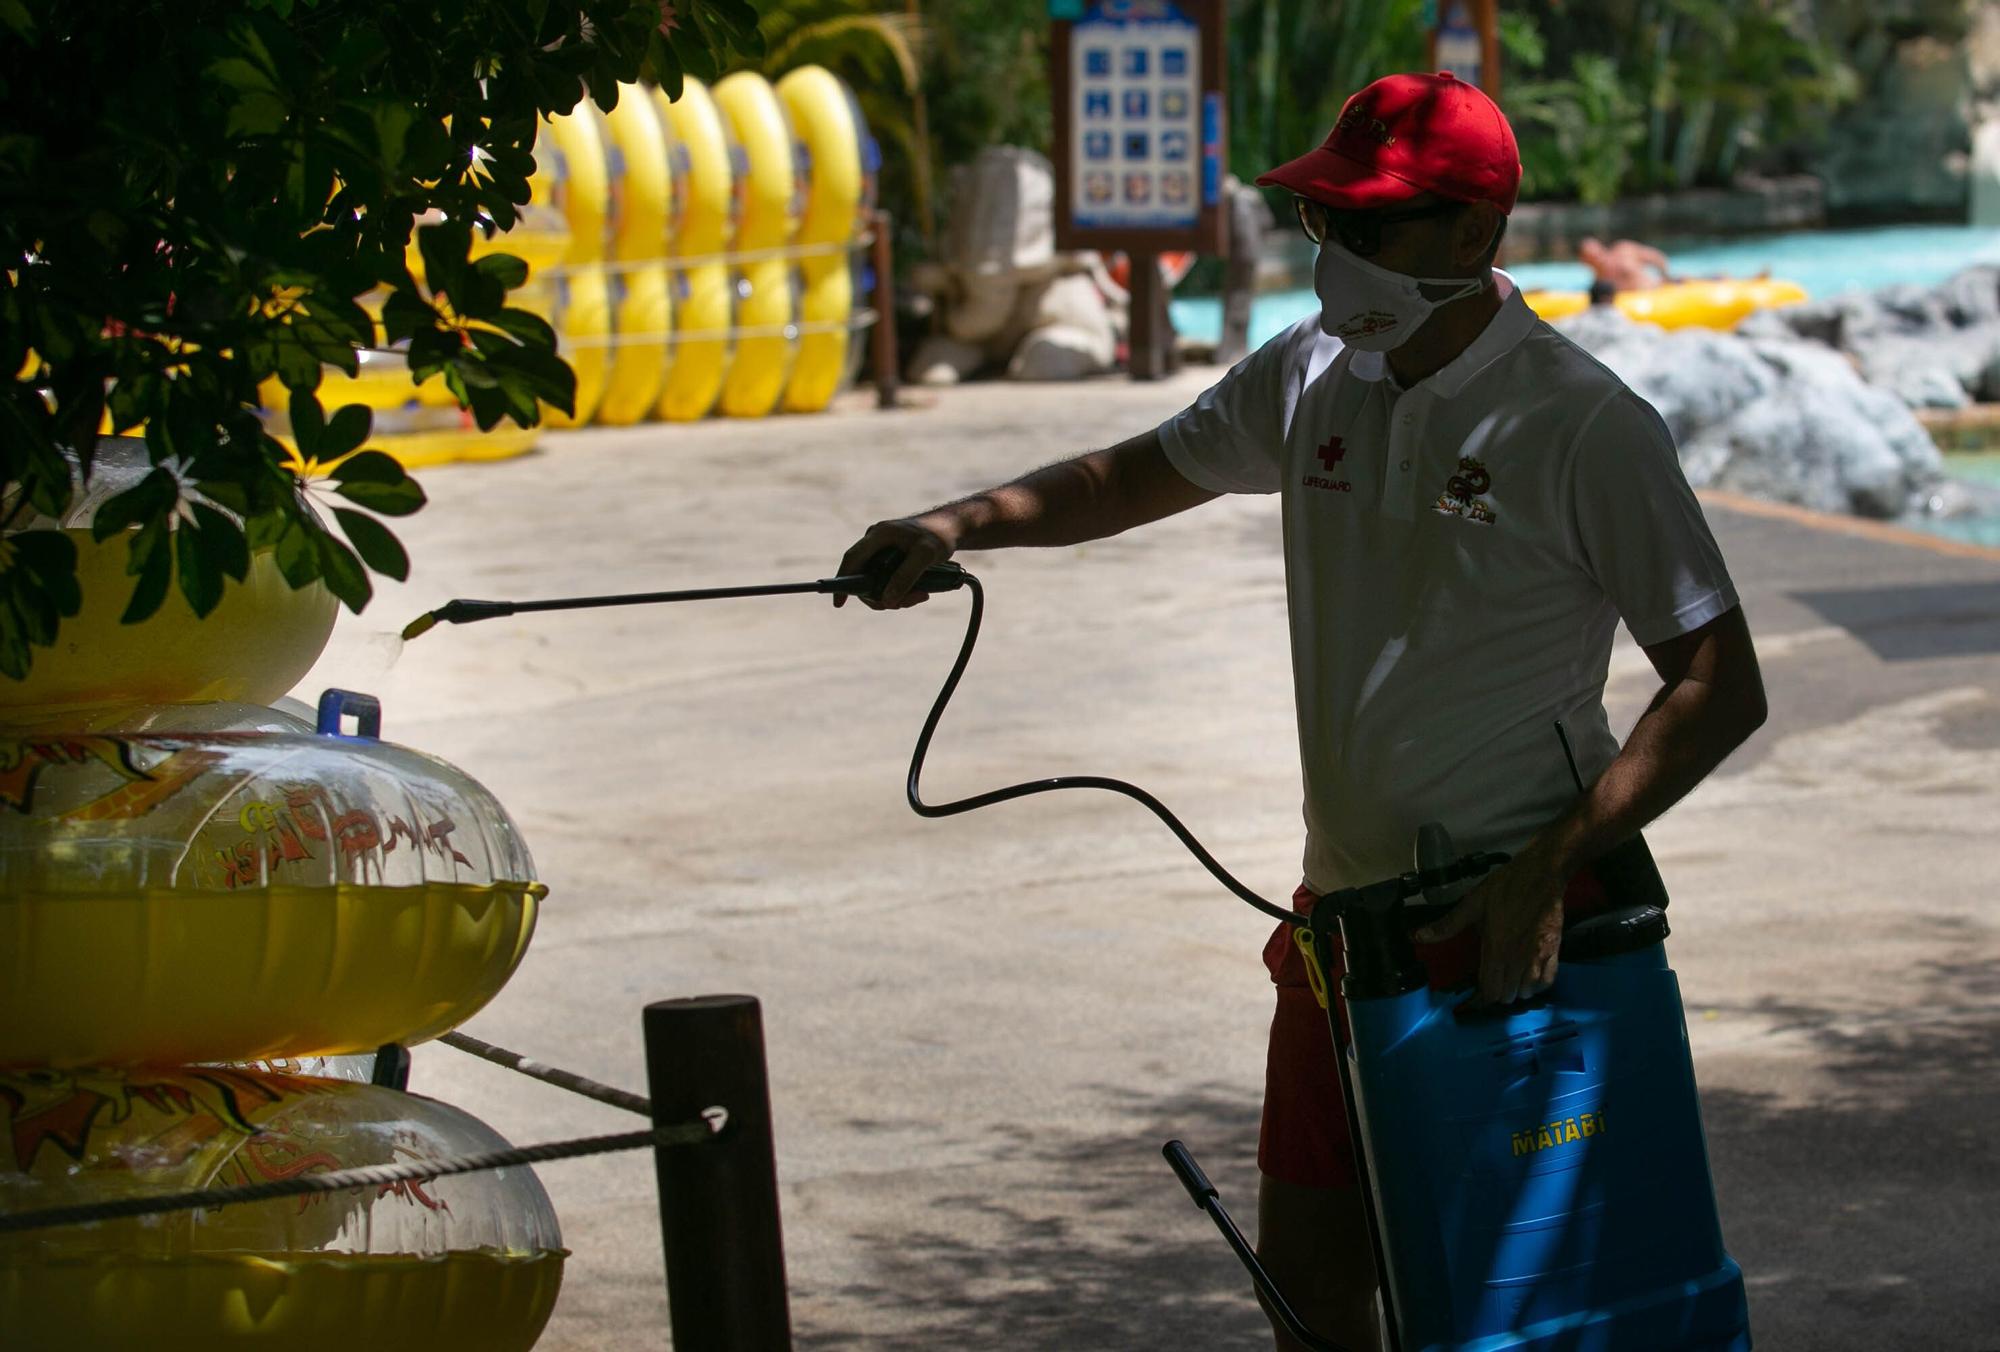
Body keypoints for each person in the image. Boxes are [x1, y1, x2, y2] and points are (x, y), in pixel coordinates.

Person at [834, 70, 1768, 1352]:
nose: (1337, 255)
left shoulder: (1580, 423)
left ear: (1473, 234)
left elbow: (1718, 679)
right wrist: (957, 522)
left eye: (1371, 227)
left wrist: (1547, 871)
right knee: (1311, 1288)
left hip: (1511, 922)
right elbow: (1130, 473)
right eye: (1326, 222)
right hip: (1343, 924)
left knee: (1522, 1308)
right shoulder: (1314, 371)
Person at [1577, 234, 1675, 292]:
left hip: (1656, 291)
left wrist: (1666, 277)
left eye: (1599, 253)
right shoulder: (1599, 284)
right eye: (1593, 258)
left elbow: (1657, 257)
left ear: (1603, 247)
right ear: (1585, 262)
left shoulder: (1624, 250)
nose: (1599, 259)